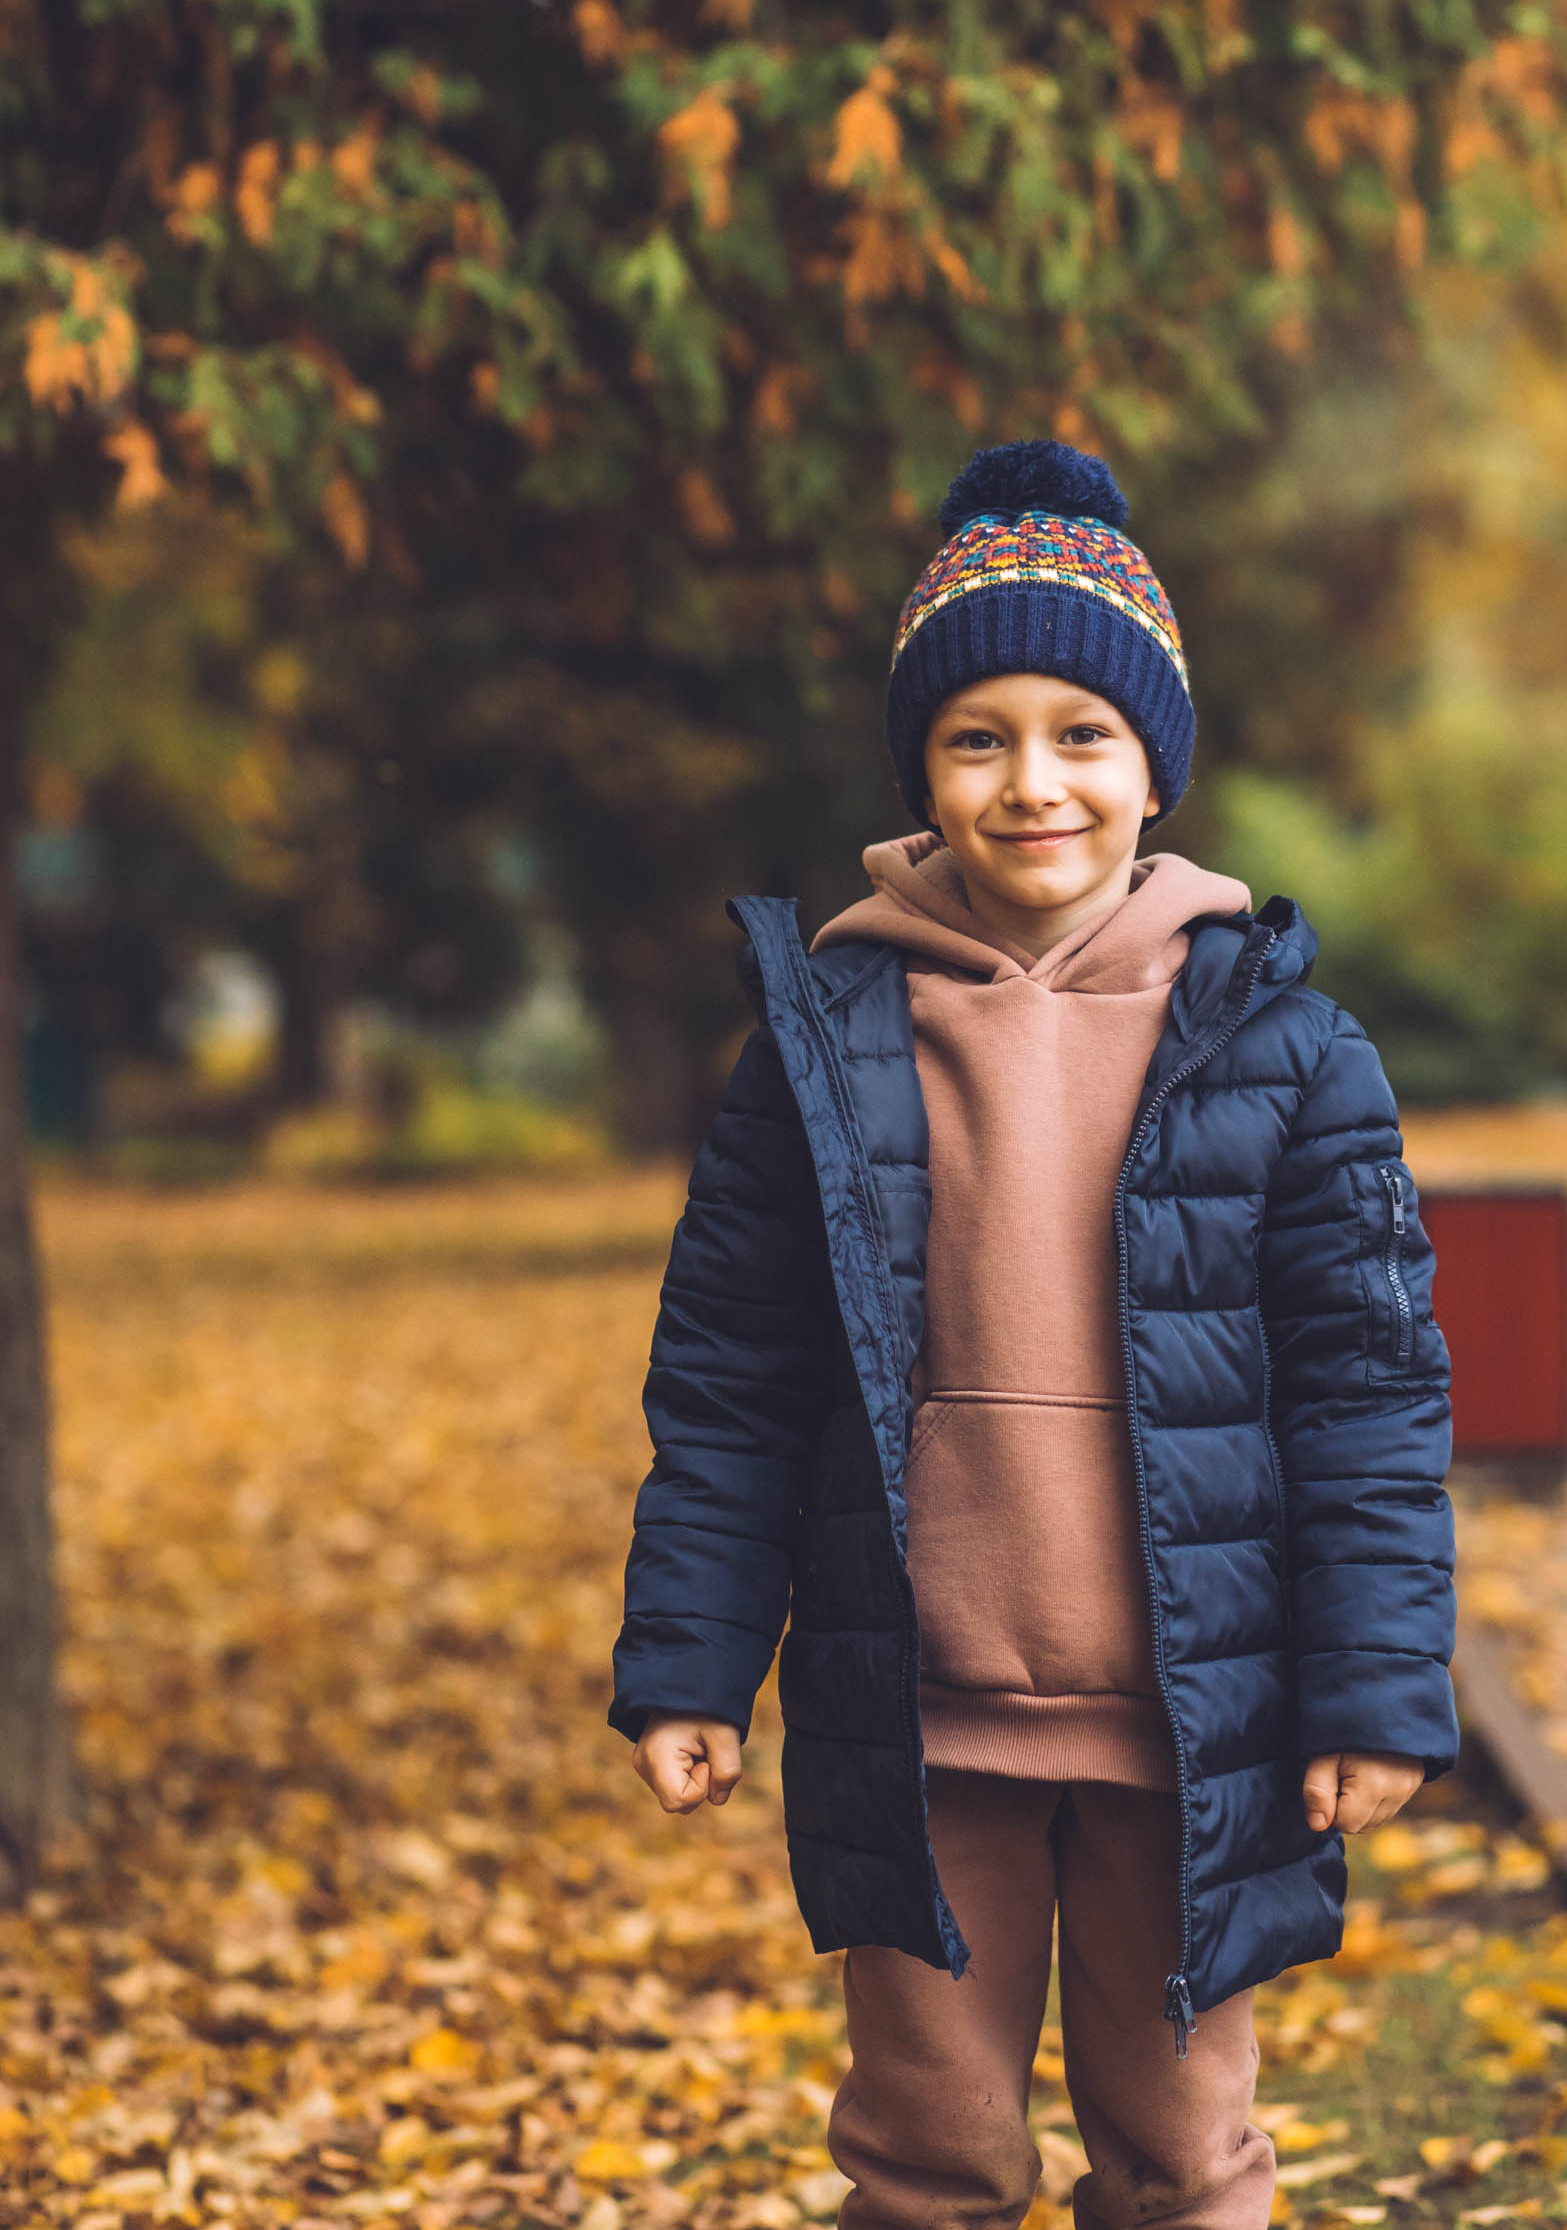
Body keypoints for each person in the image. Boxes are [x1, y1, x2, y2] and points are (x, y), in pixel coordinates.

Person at [610, 440, 1456, 2230]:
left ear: (1156, 763)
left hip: (1192, 1720)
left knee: (1180, 2156)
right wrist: (692, 1659)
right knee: (928, 2158)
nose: (1033, 783)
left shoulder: (1290, 1053)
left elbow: (1371, 1394)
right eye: (976, 737)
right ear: (922, 771)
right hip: (920, 1722)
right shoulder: (826, 1043)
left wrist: (1374, 1684)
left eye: (1082, 732)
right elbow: (734, 1384)